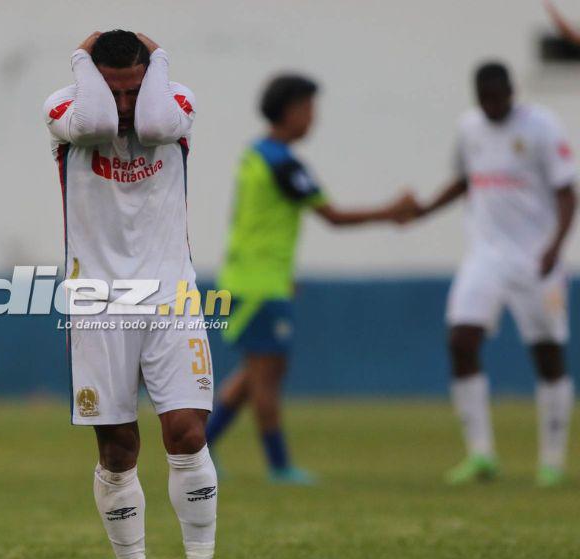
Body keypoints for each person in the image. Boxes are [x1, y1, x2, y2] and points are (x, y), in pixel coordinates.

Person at [43, 30, 232, 559]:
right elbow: (99, 121)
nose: (124, 105)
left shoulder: (174, 105)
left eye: (134, 88)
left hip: (171, 296)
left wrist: (159, 60)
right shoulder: (65, 109)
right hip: (98, 303)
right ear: (92, 80)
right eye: (113, 90)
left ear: (151, 78)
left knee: (188, 434)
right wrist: (84, 58)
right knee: (118, 448)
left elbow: (151, 127)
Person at [204, 74, 418, 484]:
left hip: (252, 279)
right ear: (291, 110)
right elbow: (333, 218)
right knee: (268, 373)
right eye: (309, 108)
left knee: (254, 373)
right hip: (259, 284)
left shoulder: (256, 154)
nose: (313, 118)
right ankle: (279, 465)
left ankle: (202, 446)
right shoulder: (282, 163)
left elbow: (259, 223)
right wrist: (391, 212)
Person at [410, 62, 577, 487]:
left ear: (511, 92)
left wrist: (555, 248)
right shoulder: (470, 128)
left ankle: (552, 461)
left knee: (547, 355)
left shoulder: (541, 126)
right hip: (485, 256)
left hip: (537, 258)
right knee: (461, 340)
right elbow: (464, 180)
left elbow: (566, 192)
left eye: (498, 97)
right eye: (483, 99)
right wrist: (425, 210)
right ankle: (481, 455)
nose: (491, 105)